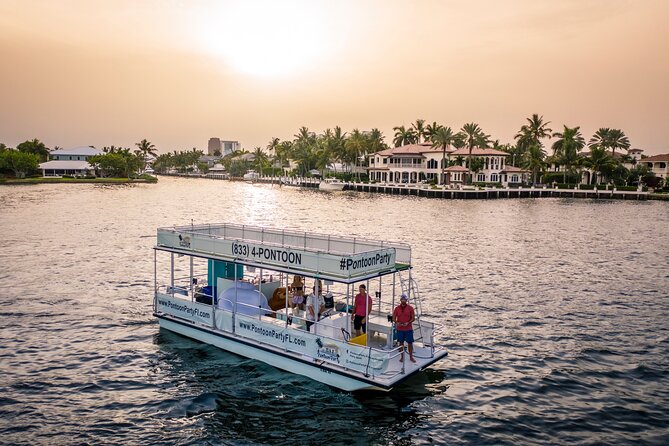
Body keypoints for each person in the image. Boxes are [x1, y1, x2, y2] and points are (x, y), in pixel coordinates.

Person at [393, 293, 416, 363]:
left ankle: (411, 357)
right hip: (400, 329)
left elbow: (413, 318)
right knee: (401, 343)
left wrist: (408, 322)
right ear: (400, 300)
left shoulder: (410, 308)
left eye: (404, 299)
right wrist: (397, 323)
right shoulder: (397, 308)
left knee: (410, 343)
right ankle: (402, 357)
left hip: (408, 329)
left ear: (406, 300)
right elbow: (394, 318)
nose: (403, 300)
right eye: (402, 299)